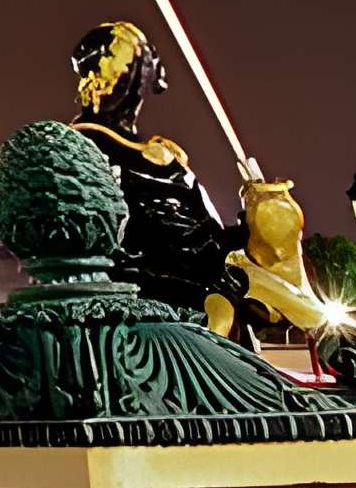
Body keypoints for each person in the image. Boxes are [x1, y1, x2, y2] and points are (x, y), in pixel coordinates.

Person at [68, 21, 233, 318]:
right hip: (132, 285)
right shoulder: (81, 145)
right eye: (125, 67)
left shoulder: (167, 157)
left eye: (140, 70)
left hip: (199, 276)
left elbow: (212, 229)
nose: (132, 84)